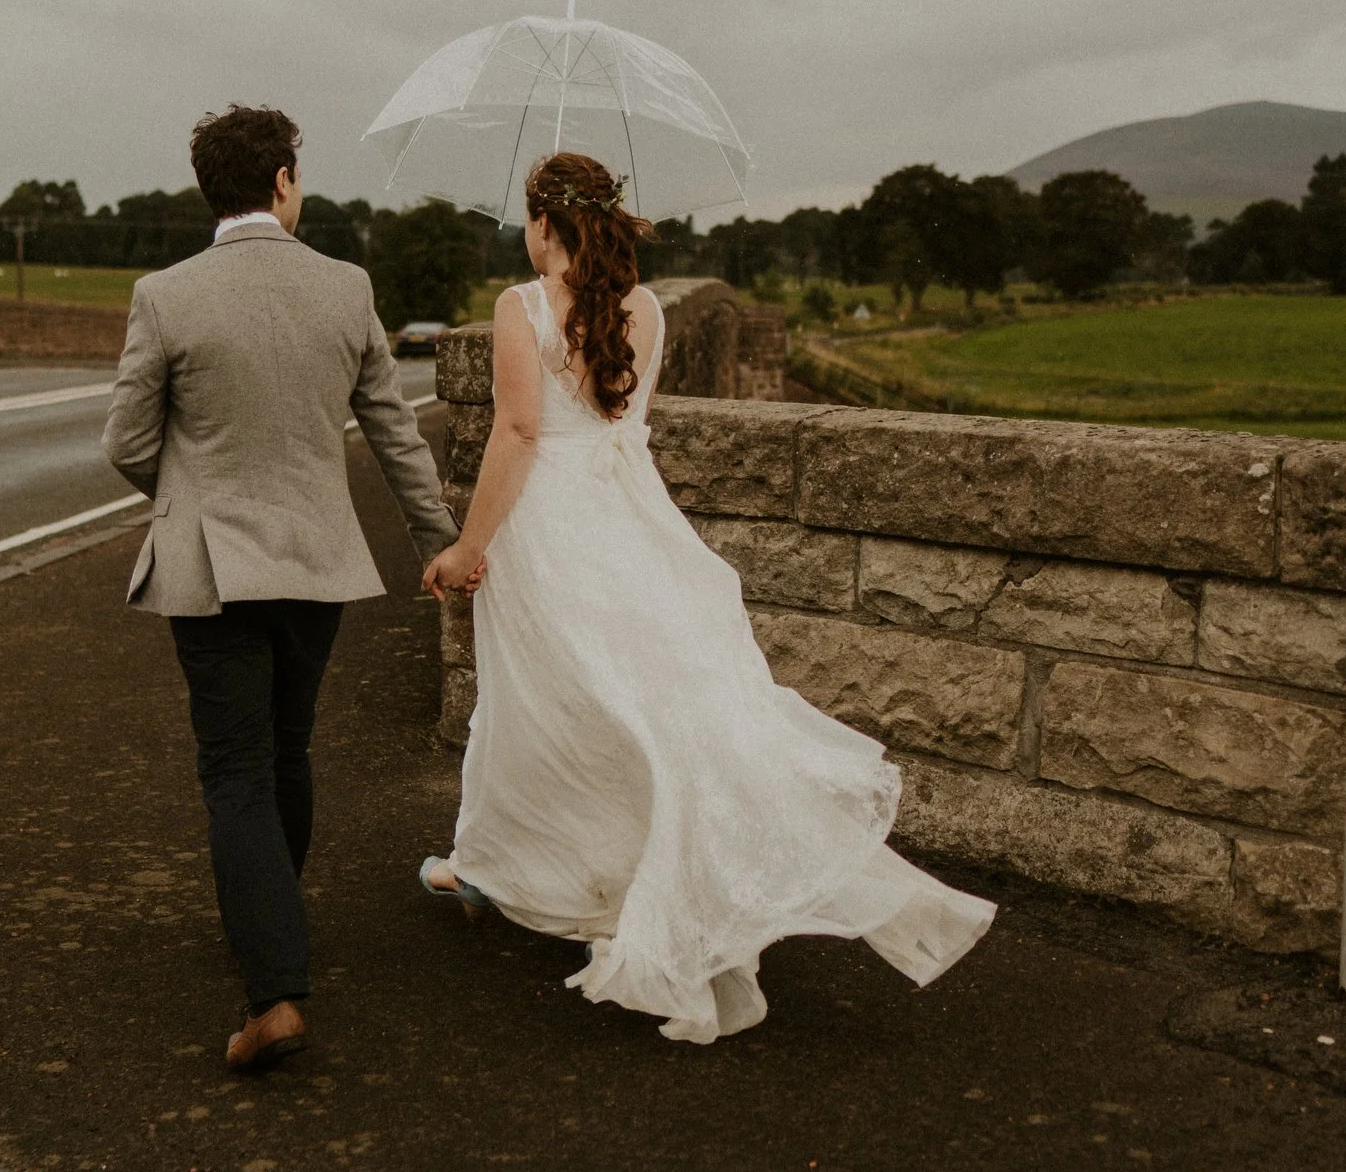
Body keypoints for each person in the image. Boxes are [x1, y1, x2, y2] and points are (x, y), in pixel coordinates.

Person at [417, 152, 994, 1043]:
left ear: (544, 223)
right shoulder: (644, 309)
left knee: (548, 697)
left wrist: (468, 545)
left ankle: (566, 872)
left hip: (553, 526)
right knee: (633, 696)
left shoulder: (520, 308)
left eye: (528, 221)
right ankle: (494, 858)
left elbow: (523, 432)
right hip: (634, 517)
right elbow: (617, 423)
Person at [103, 104, 458, 1072]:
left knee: (234, 768)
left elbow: (126, 443)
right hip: (314, 560)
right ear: (286, 178)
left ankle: (274, 987)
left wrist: (186, 497)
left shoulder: (165, 294)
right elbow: (394, 432)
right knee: (287, 745)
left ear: (209, 186)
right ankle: (271, 918)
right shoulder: (346, 288)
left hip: (211, 564)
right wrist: (441, 542)